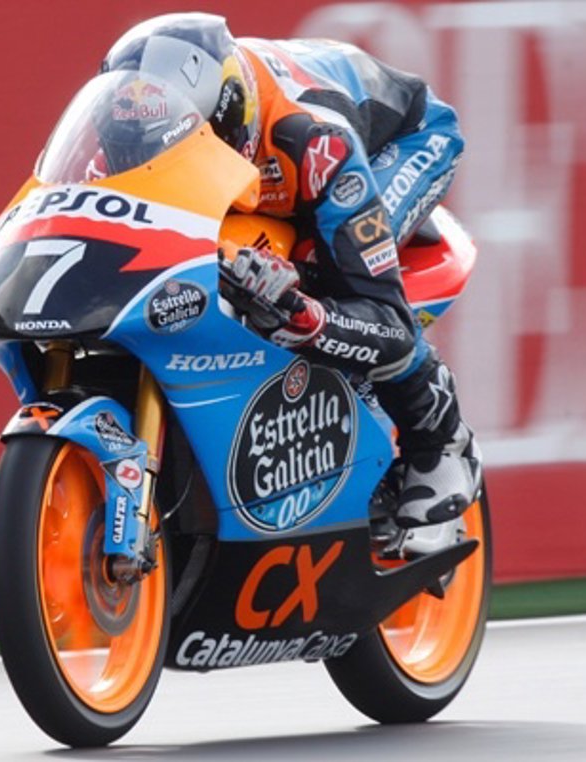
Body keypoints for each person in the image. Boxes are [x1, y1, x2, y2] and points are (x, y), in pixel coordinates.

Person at [100, 13, 481, 538]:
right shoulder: (136, 126)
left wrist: (304, 313)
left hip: (402, 143)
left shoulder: (314, 139)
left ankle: (441, 443)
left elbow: (384, 317)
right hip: (287, 167)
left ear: (229, 119)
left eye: (194, 147)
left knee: (322, 270)